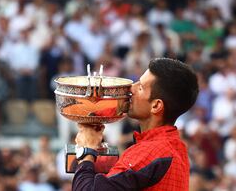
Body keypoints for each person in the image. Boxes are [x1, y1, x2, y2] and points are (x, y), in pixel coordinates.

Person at [72, 58, 199, 190]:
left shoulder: (150, 152)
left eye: (140, 87)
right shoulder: (176, 148)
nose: (131, 88)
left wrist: (86, 151)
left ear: (156, 106)